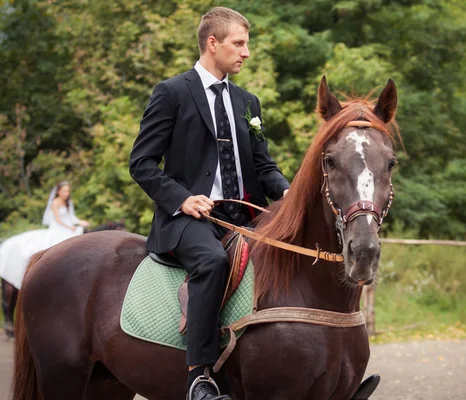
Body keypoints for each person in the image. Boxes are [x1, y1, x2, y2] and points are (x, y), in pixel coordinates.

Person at [129, 7, 290, 400]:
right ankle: (199, 378)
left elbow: (263, 166)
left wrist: (288, 194)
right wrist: (182, 199)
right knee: (212, 261)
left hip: (246, 215)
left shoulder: (247, 102)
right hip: (189, 219)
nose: (246, 53)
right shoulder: (172, 92)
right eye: (239, 43)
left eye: (246, 44)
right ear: (212, 43)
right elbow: (141, 163)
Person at [0, 181, 89, 290]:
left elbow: (71, 217)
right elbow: (58, 220)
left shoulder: (68, 202)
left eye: (68, 191)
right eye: (64, 191)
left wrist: (80, 222)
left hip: (69, 227)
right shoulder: (55, 202)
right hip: (59, 228)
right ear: (59, 192)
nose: (67, 193)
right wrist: (70, 227)